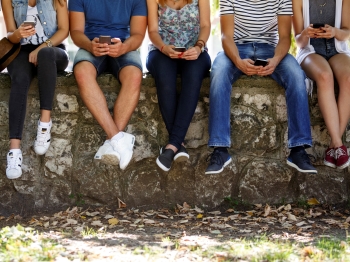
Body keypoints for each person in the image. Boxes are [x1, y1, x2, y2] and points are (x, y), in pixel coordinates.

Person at [205, 0, 317, 175]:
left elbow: (285, 37)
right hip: (237, 48)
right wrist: (237, 61)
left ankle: (298, 149)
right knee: (218, 71)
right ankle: (220, 149)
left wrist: (276, 60)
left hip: (270, 50)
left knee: (296, 74)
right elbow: (226, 36)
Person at [68, 0, 147, 170]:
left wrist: (124, 47)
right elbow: (75, 32)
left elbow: (138, 35)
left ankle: (110, 143)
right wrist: (90, 45)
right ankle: (118, 139)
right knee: (81, 72)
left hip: (124, 46)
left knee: (134, 76)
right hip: (91, 45)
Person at [3, 0, 69, 179]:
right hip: (21, 52)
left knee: (46, 54)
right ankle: (14, 152)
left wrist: (40, 48)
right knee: (20, 78)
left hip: (53, 50)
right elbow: (10, 34)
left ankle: (44, 124)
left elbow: (64, 30)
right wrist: (17, 34)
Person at [146, 0, 211, 171]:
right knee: (165, 78)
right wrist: (163, 47)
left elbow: (205, 26)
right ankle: (177, 144)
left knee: (193, 76)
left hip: (195, 51)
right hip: (161, 50)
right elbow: (152, 31)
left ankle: (172, 145)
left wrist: (198, 47)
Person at [292, 0, 350, 169]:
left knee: (348, 79)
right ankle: (339, 146)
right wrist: (305, 33)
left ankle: (334, 146)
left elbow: (346, 33)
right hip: (310, 51)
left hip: (337, 49)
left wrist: (334, 32)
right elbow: (298, 41)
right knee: (325, 76)